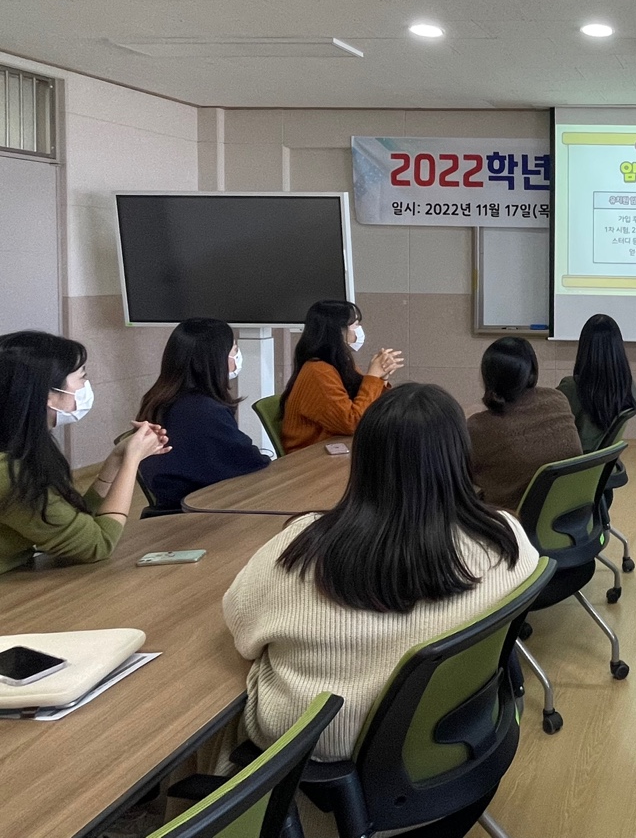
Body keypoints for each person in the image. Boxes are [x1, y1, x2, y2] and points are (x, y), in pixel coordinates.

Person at [224, 383, 539, 777]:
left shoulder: (299, 549)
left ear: (362, 459)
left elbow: (240, 629)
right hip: (451, 737)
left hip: (318, 751)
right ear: (460, 457)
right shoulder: (507, 540)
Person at [0, 331, 169, 573]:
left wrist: (116, 460)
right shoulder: (10, 473)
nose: (86, 386)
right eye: (82, 377)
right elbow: (97, 544)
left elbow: (72, 522)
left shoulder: (17, 453)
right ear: (49, 396)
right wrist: (132, 461)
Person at [134, 318, 267, 510]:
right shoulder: (204, 412)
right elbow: (250, 461)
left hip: (177, 500)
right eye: (234, 350)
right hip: (200, 509)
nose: (237, 356)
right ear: (215, 361)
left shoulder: (160, 397)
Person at [468, 337, 582, 513]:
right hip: (567, 514)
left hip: (508, 522)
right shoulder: (558, 399)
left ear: (487, 376)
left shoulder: (478, 428)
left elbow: (458, 476)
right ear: (531, 371)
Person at [279, 300, 403, 453]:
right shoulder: (318, 371)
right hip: (311, 457)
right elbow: (352, 423)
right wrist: (373, 378)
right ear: (338, 331)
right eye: (355, 325)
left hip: (336, 448)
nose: (359, 330)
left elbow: (369, 410)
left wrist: (381, 379)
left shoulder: (339, 362)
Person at [557, 313, 636, 452]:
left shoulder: (570, 388)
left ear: (584, 347)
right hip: (606, 460)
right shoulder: (631, 388)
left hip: (574, 462)